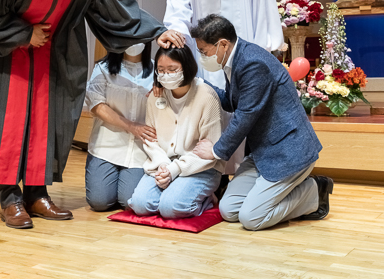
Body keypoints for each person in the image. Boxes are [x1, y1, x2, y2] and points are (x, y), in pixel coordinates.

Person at [0, 0, 178, 229]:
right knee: (11, 126)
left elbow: (115, 7)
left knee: (46, 123)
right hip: (11, 56)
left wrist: (155, 32)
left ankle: (37, 194)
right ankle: (10, 198)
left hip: (55, 55)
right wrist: (25, 35)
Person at [163, 0, 284, 172]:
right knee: (212, 115)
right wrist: (175, 41)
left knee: (249, 114)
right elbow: (178, 16)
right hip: (207, 60)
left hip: (245, 54)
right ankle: (215, 177)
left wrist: (267, 51)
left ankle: (248, 172)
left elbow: (263, 4)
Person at [191, 14, 333, 231]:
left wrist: (216, 151)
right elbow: (231, 102)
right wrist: (198, 84)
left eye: (203, 51)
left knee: (252, 218)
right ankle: (272, 193)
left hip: (289, 153)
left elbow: (245, 116)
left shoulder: (252, 63)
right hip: (262, 153)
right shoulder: (234, 57)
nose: (202, 56)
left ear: (222, 44)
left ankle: (314, 190)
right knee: (229, 211)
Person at [128, 45, 224, 219]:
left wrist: (175, 169)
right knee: (140, 205)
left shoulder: (206, 96)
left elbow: (210, 150)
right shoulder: (156, 96)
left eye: (172, 69)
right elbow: (151, 139)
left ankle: (207, 199)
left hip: (201, 167)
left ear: (186, 67)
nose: (166, 75)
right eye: (161, 70)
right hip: (163, 164)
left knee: (170, 208)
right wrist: (164, 165)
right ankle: (178, 190)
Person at [84, 41, 156, 211]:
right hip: (106, 146)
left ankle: (123, 185)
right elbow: (97, 105)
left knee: (128, 202)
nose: (134, 42)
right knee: (99, 202)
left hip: (141, 148)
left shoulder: (156, 70)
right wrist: (131, 126)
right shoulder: (102, 68)